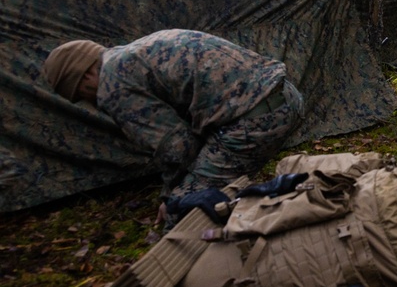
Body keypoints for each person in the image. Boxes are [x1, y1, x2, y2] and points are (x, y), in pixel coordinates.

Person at [42, 29, 305, 224]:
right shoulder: (133, 53)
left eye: (81, 94)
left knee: (183, 212)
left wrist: (171, 196)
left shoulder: (112, 85)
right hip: (286, 97)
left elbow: (176, 147)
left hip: (255, 119)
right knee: (218, 186)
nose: (90, 102)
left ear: (85, 74)